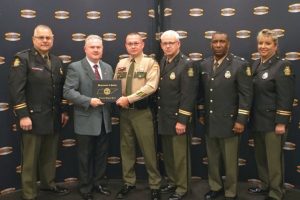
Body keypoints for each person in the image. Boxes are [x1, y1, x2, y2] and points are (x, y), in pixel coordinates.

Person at [8, 25, 70, 200]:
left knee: (49, 156)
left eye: (48, 38)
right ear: (33, 39)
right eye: (41, 38)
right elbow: (16, 91)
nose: (45, 41)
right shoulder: (22, 59)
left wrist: (64, 110)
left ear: (53, 39)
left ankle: (48, 185)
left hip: (53, 117)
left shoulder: (57, 61)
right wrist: (23, 115)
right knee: (30, 159)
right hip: (32, 118)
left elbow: (61, 89)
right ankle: (29, 193)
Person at [197, 32, 252, 200]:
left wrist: (241, 120)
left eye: (222, 41)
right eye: (215, 42)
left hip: (230, 122)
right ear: (211, 44)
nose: (218, 45)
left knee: (230, 160)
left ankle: (230, 191)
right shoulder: (205, 65)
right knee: (212, 159)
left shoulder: (239, 65)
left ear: (228, 44)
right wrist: (201, 112)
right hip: (210, 121)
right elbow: (202, 93)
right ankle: (215, 186)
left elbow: (246, 95)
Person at [63, 35, 113, 200]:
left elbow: (111, 91)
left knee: (101, 155)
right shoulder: (75, 67)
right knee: (84, 157)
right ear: (85, 49)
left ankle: (99, 183)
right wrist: (88, 101)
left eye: (99, 47)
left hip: (104, 120)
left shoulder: (107, 67)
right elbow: (68, 91)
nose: (96, 50)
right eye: (92, 47)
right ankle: (85, 189)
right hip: (86, 119)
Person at [247, 29, 295, 200]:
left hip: (273, 122)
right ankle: (265, 185)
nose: (263, 46)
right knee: (261, 157)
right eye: (260, 43)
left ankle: (276, 192)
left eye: (267, 43)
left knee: (274, 160)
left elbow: (286, 96)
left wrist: (281, 122)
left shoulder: (282, 66)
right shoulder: (255, 64)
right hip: (258, 120)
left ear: (275, 46)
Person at [114, 32, 161, 200]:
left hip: (142, 113)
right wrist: (112, 95)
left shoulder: (150, 63)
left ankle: (155, 184)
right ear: (125, 45)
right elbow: (114, 85)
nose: (133, 46)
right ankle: (128, 182)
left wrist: (129, 98)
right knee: (126, 149)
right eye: (129, 43)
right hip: (124, 113)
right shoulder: (121, 63)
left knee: (148, 150)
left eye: (136, 43)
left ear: (142, 45)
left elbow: (151, 86)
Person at [157, 30, 198, 200]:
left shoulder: (187, 64)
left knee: (180, 156)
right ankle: (173, 181)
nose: (167, 46)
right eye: (164, 43)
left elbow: (188, 95)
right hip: (165, 117)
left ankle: (182, 188)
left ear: (178, 44)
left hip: (178, 120)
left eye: (171, 43)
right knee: (169, 154)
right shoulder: (163, 61)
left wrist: (182, 121)